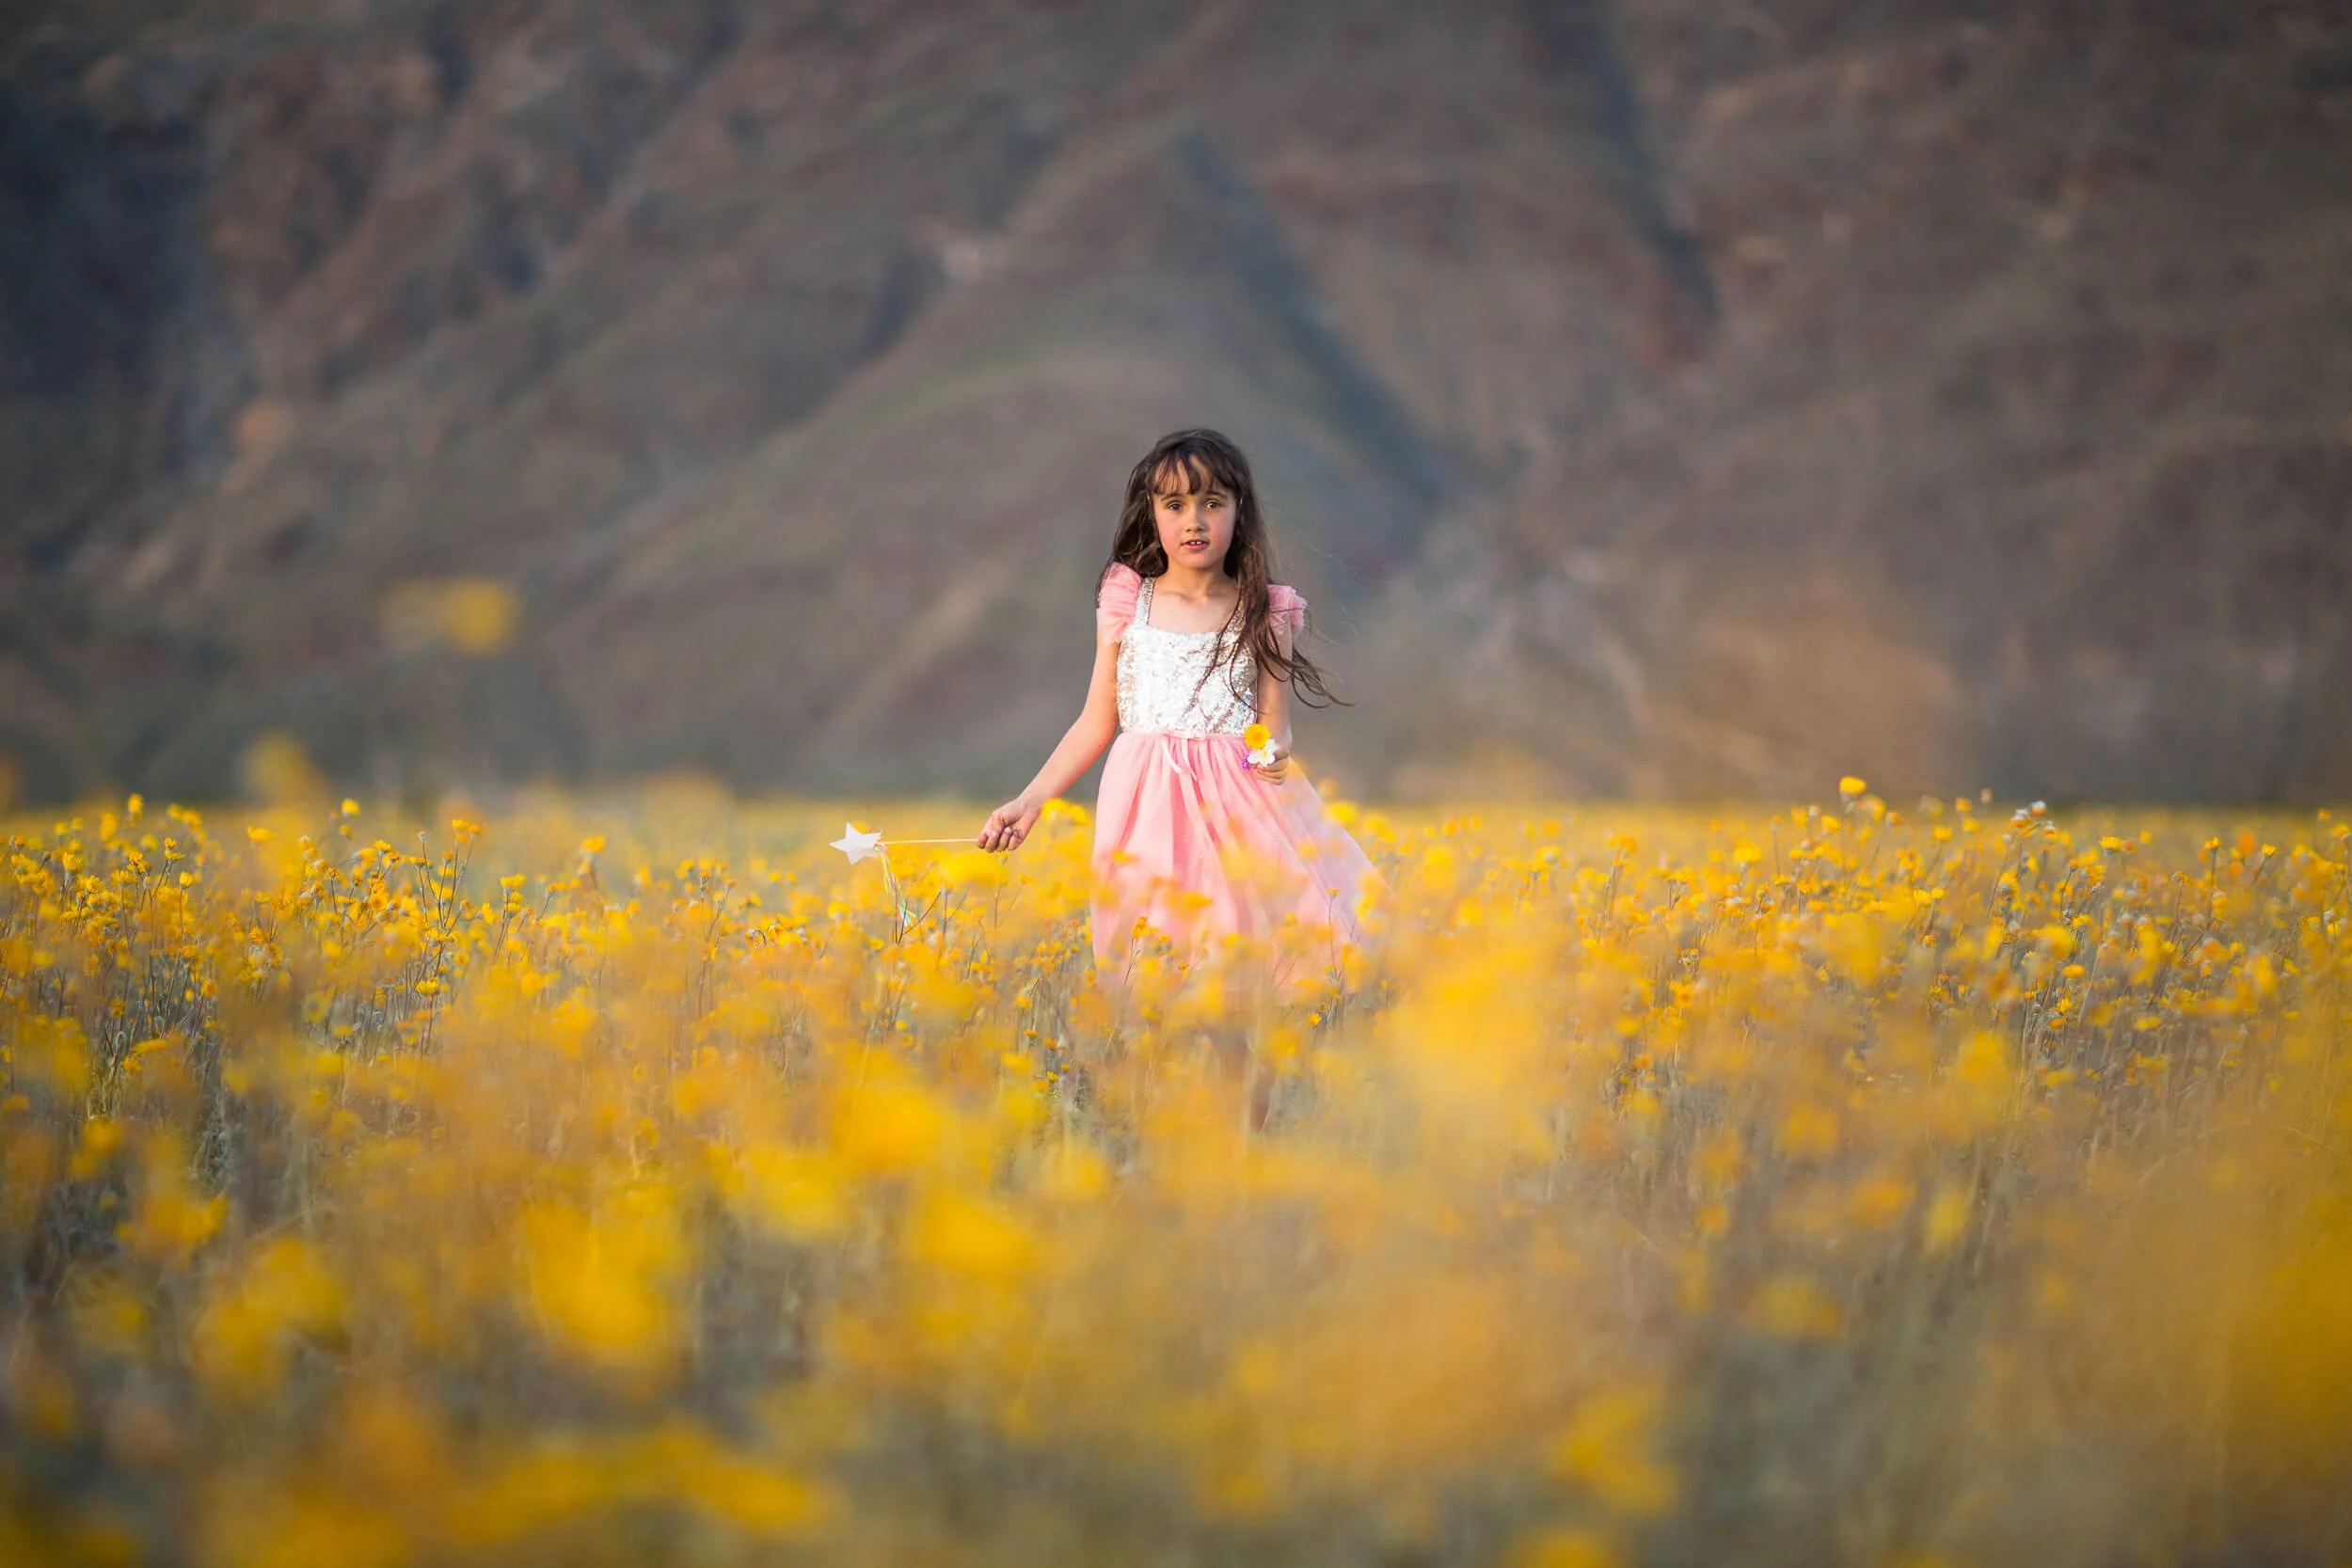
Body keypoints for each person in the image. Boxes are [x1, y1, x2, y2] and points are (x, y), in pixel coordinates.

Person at [976, 427, 1380, 987]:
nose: (1195, 520)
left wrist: (1273, 755)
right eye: (1176, 504)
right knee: (1155, 962)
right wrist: (1032, 799)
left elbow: (1274, 726)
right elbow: (1098, 720)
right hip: (1145, 802)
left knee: (1242, 958)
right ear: (1153, 514)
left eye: (1213, 503)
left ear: (1240, 513)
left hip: (1238, 803)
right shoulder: (1126, 601)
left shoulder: (1265, 610)